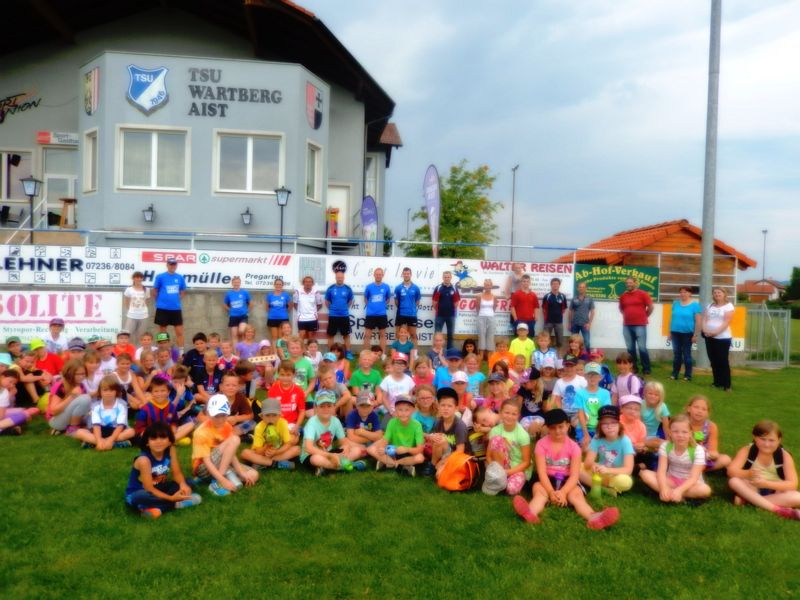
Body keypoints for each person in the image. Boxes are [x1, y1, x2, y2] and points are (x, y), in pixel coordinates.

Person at [512, 408, 620, 529]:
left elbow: (574, 475)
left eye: (561, 427)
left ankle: (594, 517)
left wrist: (563, 492)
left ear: (568, 426)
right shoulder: (541, 445)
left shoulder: (574, 447)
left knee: (577, 496)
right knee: (539, 493)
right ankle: (530, 512)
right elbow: (541, 472)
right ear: (547, 428)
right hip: (546, 479)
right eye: (553, 428)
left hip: (568, 480)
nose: (557, 431)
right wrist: (551, 492)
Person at [125, 422, 201, 519]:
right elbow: (149, 489)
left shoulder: (170, 449)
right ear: (147, 442)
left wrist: (183, 485)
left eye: (163, 437)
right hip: (142, 492)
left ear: (169, 441)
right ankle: (175, 504)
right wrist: (171, 498)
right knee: (140, 496)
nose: (158, 441)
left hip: (159, 487)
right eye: (153, 438)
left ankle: (156, 508)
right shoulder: (144, 460)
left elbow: (177, 473)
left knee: (189, 482)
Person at [727, 420, 800, 520]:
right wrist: (748, 473)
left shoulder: (784, 456)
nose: (766, 444)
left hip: (776, 491)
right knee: (733, 481)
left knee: (798, 497)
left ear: (779, 440)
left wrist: (766, 484)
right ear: (755, 437)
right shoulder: (747, 450)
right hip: (752, 487)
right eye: (762, 439)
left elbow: (792, 484)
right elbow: (731, 471)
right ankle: (778, 510)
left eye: (771, 440)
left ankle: (749, 501)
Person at [192, 394, 260, 496]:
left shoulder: (227, 426)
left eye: (223, 415)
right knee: (235, 439)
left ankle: (220, 478)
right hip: (203, 468)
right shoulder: (201, 432)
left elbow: (230, 453)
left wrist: (241, 472)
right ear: (209, 414)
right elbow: (206, 461)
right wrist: (222, 480)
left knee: (253, 475)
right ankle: (218, 481)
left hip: (222, 464)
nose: (220, 420)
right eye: (216, 416)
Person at [639, 414, 712, 503]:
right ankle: (675, 496)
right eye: (675, 432)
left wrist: (680, 490)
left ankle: (673, 495)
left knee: (705, 490)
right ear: (670, 432)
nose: (680, 435)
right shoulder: (665, 446)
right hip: (671, 480)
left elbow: (694, 477)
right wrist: (663, 488)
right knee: (645, 474)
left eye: (684, 432)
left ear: (690, 433)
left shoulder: (698, 450)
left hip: (691, 484)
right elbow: (661, 471)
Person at [301, 390, 364, 475]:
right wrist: (329, 456)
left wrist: (346, 447)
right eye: (322, 406)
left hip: (329, 452)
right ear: (316, 407)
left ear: (334, 407)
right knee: (316, 459)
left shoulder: (336, 421)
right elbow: (308, 448)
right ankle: (347, 465)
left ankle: (327, 468)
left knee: (356, 450)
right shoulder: (312, 423)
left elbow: (343, 441)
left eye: (329, 406)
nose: (326, 409)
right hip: (311, 454)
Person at [579, 405, 634, 495]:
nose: (609, 427)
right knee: (575, 468)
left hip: (616, 474)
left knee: (626, 481)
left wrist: (608, 470)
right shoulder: (597, 438)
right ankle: (605, 489)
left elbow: (628, 469)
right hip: (600, 472)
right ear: (600, 426)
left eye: (613, 423)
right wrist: (594, 465)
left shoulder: (625, 441)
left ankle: (595, 484)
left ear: (619, 424)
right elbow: (587, 463)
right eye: (605, 424)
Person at [368, 394, 425, 475]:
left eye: (407, 410)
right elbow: (385, 440)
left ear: (413, 410)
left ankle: (389, 463)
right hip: (392, 451)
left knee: (420, 458)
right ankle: (400, 465)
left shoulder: (417, 425)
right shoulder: (392, 422)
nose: (403, 413)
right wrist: (382, 448)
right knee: (370, 449)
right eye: (400, 410)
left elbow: (419, 449)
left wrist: (406, 449)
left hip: (408, 452)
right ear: (395, 410)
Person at [73, 376, 135, 450]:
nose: (108, 393)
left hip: (116, 430)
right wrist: (99, 440)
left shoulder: (122, 404)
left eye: (112, 390)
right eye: (105, 390)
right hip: (99, 430)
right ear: (100, 392)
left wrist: (110, 439)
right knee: (79, 432)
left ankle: (96, 443)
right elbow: (96, 425)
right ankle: (111, 444)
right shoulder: (95, 406)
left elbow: (120, 426)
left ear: (116, 391)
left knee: (131, 432)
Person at [486, 400, 531, 495]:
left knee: (511, 489)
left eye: (514, 414)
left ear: (518, 416)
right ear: (501, 413)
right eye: (507, 412)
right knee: (496, 439)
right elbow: (489, 456)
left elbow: (526, 462)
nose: (510, 416)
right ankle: (499, 478)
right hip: (500, 465)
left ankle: (502, 481)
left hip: (517, 468)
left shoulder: (523, 435)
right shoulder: (495, 431)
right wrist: (494, 470)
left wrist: (508, 472)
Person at [240, 398, 300, 470]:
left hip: (278, 451)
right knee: (245, 453)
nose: (271, 419)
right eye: (267, 415)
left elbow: (288, 444)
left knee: (297, 449)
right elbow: (258, 451)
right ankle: (277, 464)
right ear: (262, 416)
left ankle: (261, 463)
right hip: (263, 453)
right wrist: (266, 447)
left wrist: (276, 452)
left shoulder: (283, 423)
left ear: (279, 416)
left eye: (274, 415)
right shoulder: (259, 427)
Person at [702, 286, 735, 392]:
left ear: (724, 294)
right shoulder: (710, 305)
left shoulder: (728, 306)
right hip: (709, 337)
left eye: (719, 292)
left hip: (722, 338)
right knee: (713, 361)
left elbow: (726, 322)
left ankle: (727, 385)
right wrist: (705, 330)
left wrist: (715, 332)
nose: (717, 294)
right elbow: (704, 319)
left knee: (722, 361)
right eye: (715, 293)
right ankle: (717, 382)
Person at [618, 277, 654, 375]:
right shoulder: (623, 296)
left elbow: (651, 307)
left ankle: (646, 369)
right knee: (630, 349)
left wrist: (645, 316)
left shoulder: (643, 294)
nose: (628, 284)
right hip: (627, 325)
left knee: (642, 348)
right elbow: (621, 309)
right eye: (627, 283)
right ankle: (633, 368)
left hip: (640, 325)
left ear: (635, 283)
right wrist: (628, 315)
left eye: (630, 282)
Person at [686, 395, 731, 471]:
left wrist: (706, 453)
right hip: (682, 454)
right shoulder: (680, 422)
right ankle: (694, 470)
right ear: (689, 409)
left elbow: (713, 451)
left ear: (707, 413)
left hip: (702, 456)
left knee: (726, 459)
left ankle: (695, 470)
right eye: (696, 407)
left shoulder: (711, 426)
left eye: (704, 409)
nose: (699, 411)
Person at [46, 359, 91, 435]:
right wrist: (72, 396)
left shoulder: (81, 386)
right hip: (56, 420)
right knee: (85, 398)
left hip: (71, 417)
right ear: (70, 374)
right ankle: (73, 428)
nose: (81, 377)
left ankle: (77, 428)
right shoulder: (60, 386)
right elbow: (53, 411)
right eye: (78, 374)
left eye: (83, 374)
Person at [152, 258, 188, 352]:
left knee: (179, 332)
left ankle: (181, 353)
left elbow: (183, 291)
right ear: (167, 265)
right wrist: (160, 301)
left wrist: (176, 299)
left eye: (174, 264)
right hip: (162, 308)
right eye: (171, 264)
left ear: (176, 266)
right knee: (162, 332)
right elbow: (155, 291)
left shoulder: (180, 277)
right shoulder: (160, 277)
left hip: (175, 309)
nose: (172, 266)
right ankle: (163, 350)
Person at [667, 286, 702, 381]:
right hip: (675, 332)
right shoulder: (675, 303)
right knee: (676, 354)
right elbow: (672, 318)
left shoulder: (695, 305)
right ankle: (674, 374)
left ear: (690, 293)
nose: (683, 294)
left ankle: (687, 375)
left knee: (687, 354)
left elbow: (698, 321)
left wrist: (695, 334)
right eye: (681, 292)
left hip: (688, 333)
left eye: (685, 292)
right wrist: (669, 332)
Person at [430, 389, 468, 474]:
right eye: (443, 405)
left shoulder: (459, 425)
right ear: (438, 407)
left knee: (439, 475)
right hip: (446, 452)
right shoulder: (439, 422)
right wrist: (432, 437)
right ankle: (432, 465)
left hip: (458, 456)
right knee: (438, 439)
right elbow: (436, 443)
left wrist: (443, 461)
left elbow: (460, 451)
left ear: (456, 408)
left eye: (449, 406)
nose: (446, 409)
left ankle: (439, 467)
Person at [575, 362, 612, 449]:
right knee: (586, 448)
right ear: (585, 376)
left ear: (600, 377)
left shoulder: (605, 393)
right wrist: (586, 434)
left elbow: (605, 414)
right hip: (584, 428)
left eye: (595, 375)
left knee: (604, 448)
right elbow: (580, 414)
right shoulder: (580, 393)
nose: (592, 378)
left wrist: (599, 432)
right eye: (589, 375)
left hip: (600, 427)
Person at [325, 265, 355, 359]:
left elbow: (350, 300)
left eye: (341, 277)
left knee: (346, 335)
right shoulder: (330, 288)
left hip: (344, 315)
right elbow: (327, 301)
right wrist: (332, 309)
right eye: (338, 277)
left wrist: (345, 308)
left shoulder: (348, 289)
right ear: (335, 278)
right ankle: (330, 354)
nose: (340, 279)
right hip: (333, 315)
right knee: (331, 335)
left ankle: (348, 352)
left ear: (343, 278)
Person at [345, 389, 384, 458]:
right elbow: (351, 437)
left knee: (382, 440)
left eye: (368, 406)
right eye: (362, 405)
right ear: (357, 405)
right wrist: (371, 437)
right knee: (346, 441)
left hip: (370, 442)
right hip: (358, 443)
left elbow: (379, 436)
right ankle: (368, 451)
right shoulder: (352, 415)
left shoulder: (374, 415)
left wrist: (362, 432)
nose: (365, 409)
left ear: (373, 406)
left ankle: (366, 452)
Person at [0, 370, 39, 435]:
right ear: (2, 377)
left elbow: (5, 409)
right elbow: (1, 415)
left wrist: (11, 394)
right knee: (22, 415)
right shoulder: (5, 393)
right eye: (10, 381)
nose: (11, 385)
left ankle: (7, 428)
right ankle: (7, 428)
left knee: (22, 413)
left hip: (3, 412)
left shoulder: (5, 392)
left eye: (14, 384)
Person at [364, 268, 391, 357]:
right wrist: (371, 306)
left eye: (380, 274)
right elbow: (366, 299)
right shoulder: (369, 287)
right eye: (377, 274)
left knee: (382, 335)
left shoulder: (386, 287)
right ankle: (366, 354)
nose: (378, 276)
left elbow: (388, 299)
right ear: (374, 275)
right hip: (370, 314)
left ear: (382, 275)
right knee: (367, 335)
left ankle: (382, 354)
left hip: (382, 314)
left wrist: (381, 305)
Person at [432, 271, 460, 349]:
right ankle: (437, 352)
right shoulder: (438, 288)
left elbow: (456, 303)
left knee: (450, 335)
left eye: (448, 277)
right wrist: (439, 310)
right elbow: (434, 302)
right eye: (445, 277)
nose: (447, 278)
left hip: (451, 316)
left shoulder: (454, 288)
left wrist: (450, 309)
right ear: (443, 278)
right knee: (437, 335)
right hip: (439, 315)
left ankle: (449, 352)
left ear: (451, 277)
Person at [394, 267, 422, 345]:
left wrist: (411, 307)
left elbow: (417, 301)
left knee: (413, 335)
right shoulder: (398, 288)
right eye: (405, 274)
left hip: (412, 314)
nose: (406, 275)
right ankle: (397, 351)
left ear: (410, 275)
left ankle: (415, 351)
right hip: (401, 314)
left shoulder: (416, 288)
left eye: (408, 274)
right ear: (402, 275)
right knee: (398, 335)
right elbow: (396, 301)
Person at [473, 278, 498, 361]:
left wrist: (490, 314)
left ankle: (489, 357)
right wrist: (480, 315)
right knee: (481, 335)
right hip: (481, 316)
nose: (488, 286)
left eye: (489, 285)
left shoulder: (494, 296)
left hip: (491, 317)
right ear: (484, 286)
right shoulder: (479, 296)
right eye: (486, 285)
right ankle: (481, 356)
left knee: (490, 336)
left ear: (491, 286)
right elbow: (477, 307)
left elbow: (494, 307)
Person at [293, 275, 323, 343]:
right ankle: (301, 349)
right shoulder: (297, 292)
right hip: (301, 318)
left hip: (312, 318)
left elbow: (319, 305)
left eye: (310, 282)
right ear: (303, 283)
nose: (308, 283)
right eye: (306, 281)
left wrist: (313, 312)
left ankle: (309, 350)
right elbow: (295, 304)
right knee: (301, 336)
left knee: (311, 338)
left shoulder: (316, 292)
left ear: (312, 283)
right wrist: (301, 311)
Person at [123, 272, 151, 344]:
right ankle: (131, 349)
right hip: (131, 315)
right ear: (133, 278)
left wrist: (142, 309)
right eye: (137, 277)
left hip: (143, 316)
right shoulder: (129, 289)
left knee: (141, 336)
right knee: (128, 334)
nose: (139, 279)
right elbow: (126, 301)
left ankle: (139, 350)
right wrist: (131, 310)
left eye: (140, 277)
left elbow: (147, 301)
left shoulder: (146, 289)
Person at [541, 278, 568, 349]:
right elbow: (544, 309)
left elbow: (564, 308)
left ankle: (558, 353)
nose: (555, 285)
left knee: (560, 341)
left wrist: (558, 315)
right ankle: (546, 352)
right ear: (551, 285)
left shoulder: (562, 296)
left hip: (559, 321)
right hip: (548, 321)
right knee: (545, 339)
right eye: (553, 284)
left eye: (557, 284)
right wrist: (546, 318)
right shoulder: (547, 296)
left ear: (559, 285)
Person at [224, 276, 251, 343]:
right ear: (232, 283)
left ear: (240, 283)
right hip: (233, 316)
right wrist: (230, 310)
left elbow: (250, 303)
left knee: (241, 331)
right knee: (234, 336)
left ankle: (242, 348)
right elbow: (225, 304)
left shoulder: (245, 292)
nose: (236, 284)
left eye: (238, 282)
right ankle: (236, 350)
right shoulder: (229, 293)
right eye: (235, 282)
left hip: (243, 316)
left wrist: (247, 311)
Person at [568, 281, 595, 350]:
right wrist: (570, 323)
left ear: (586, 288)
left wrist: (589, 323)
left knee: (587, 342)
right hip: (575, 323)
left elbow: (592, 312)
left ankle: (587, 355)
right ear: (577, 288)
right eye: (580, 287)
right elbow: (570, 311)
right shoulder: (574, 299)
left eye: (583, 287)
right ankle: (573, 355)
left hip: (585, 324)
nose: (581, 288)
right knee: (573, 341)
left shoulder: (590, 299)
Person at [266, 278, 292, 346]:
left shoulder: (285, 295)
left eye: (280, 284)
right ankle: (275, 351)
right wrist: (272, 313)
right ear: (274, 285)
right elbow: (267, 307)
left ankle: (282, 351)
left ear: (282, 285)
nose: (278, 286)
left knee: (281, 337)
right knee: (274, 337)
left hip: (283, 318)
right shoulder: (270, 295)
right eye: (277, 284)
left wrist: (284, 312)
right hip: (272, 318)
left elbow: (290, 305)